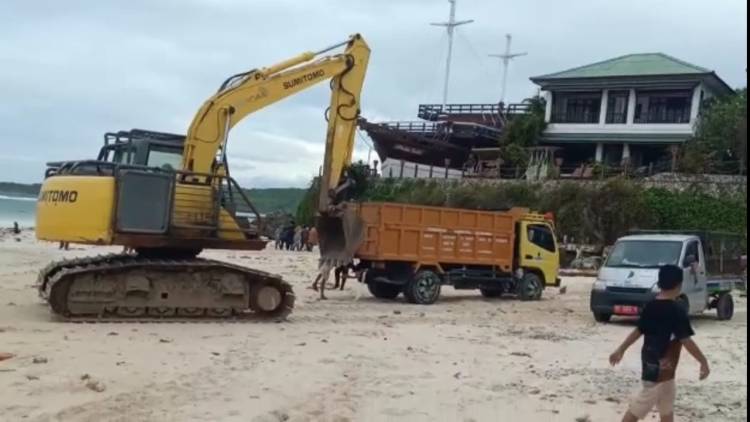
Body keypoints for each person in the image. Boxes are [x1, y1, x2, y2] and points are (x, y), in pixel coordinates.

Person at [609, 265, 710, 422]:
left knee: (666, 409)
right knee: (637, 408)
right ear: (678, 285)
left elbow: (638, 331)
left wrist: (620, 349)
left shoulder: (650, 306)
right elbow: (686, 340)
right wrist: (703, 361)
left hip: (654, 365)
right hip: (661, 370)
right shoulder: (677, 311)